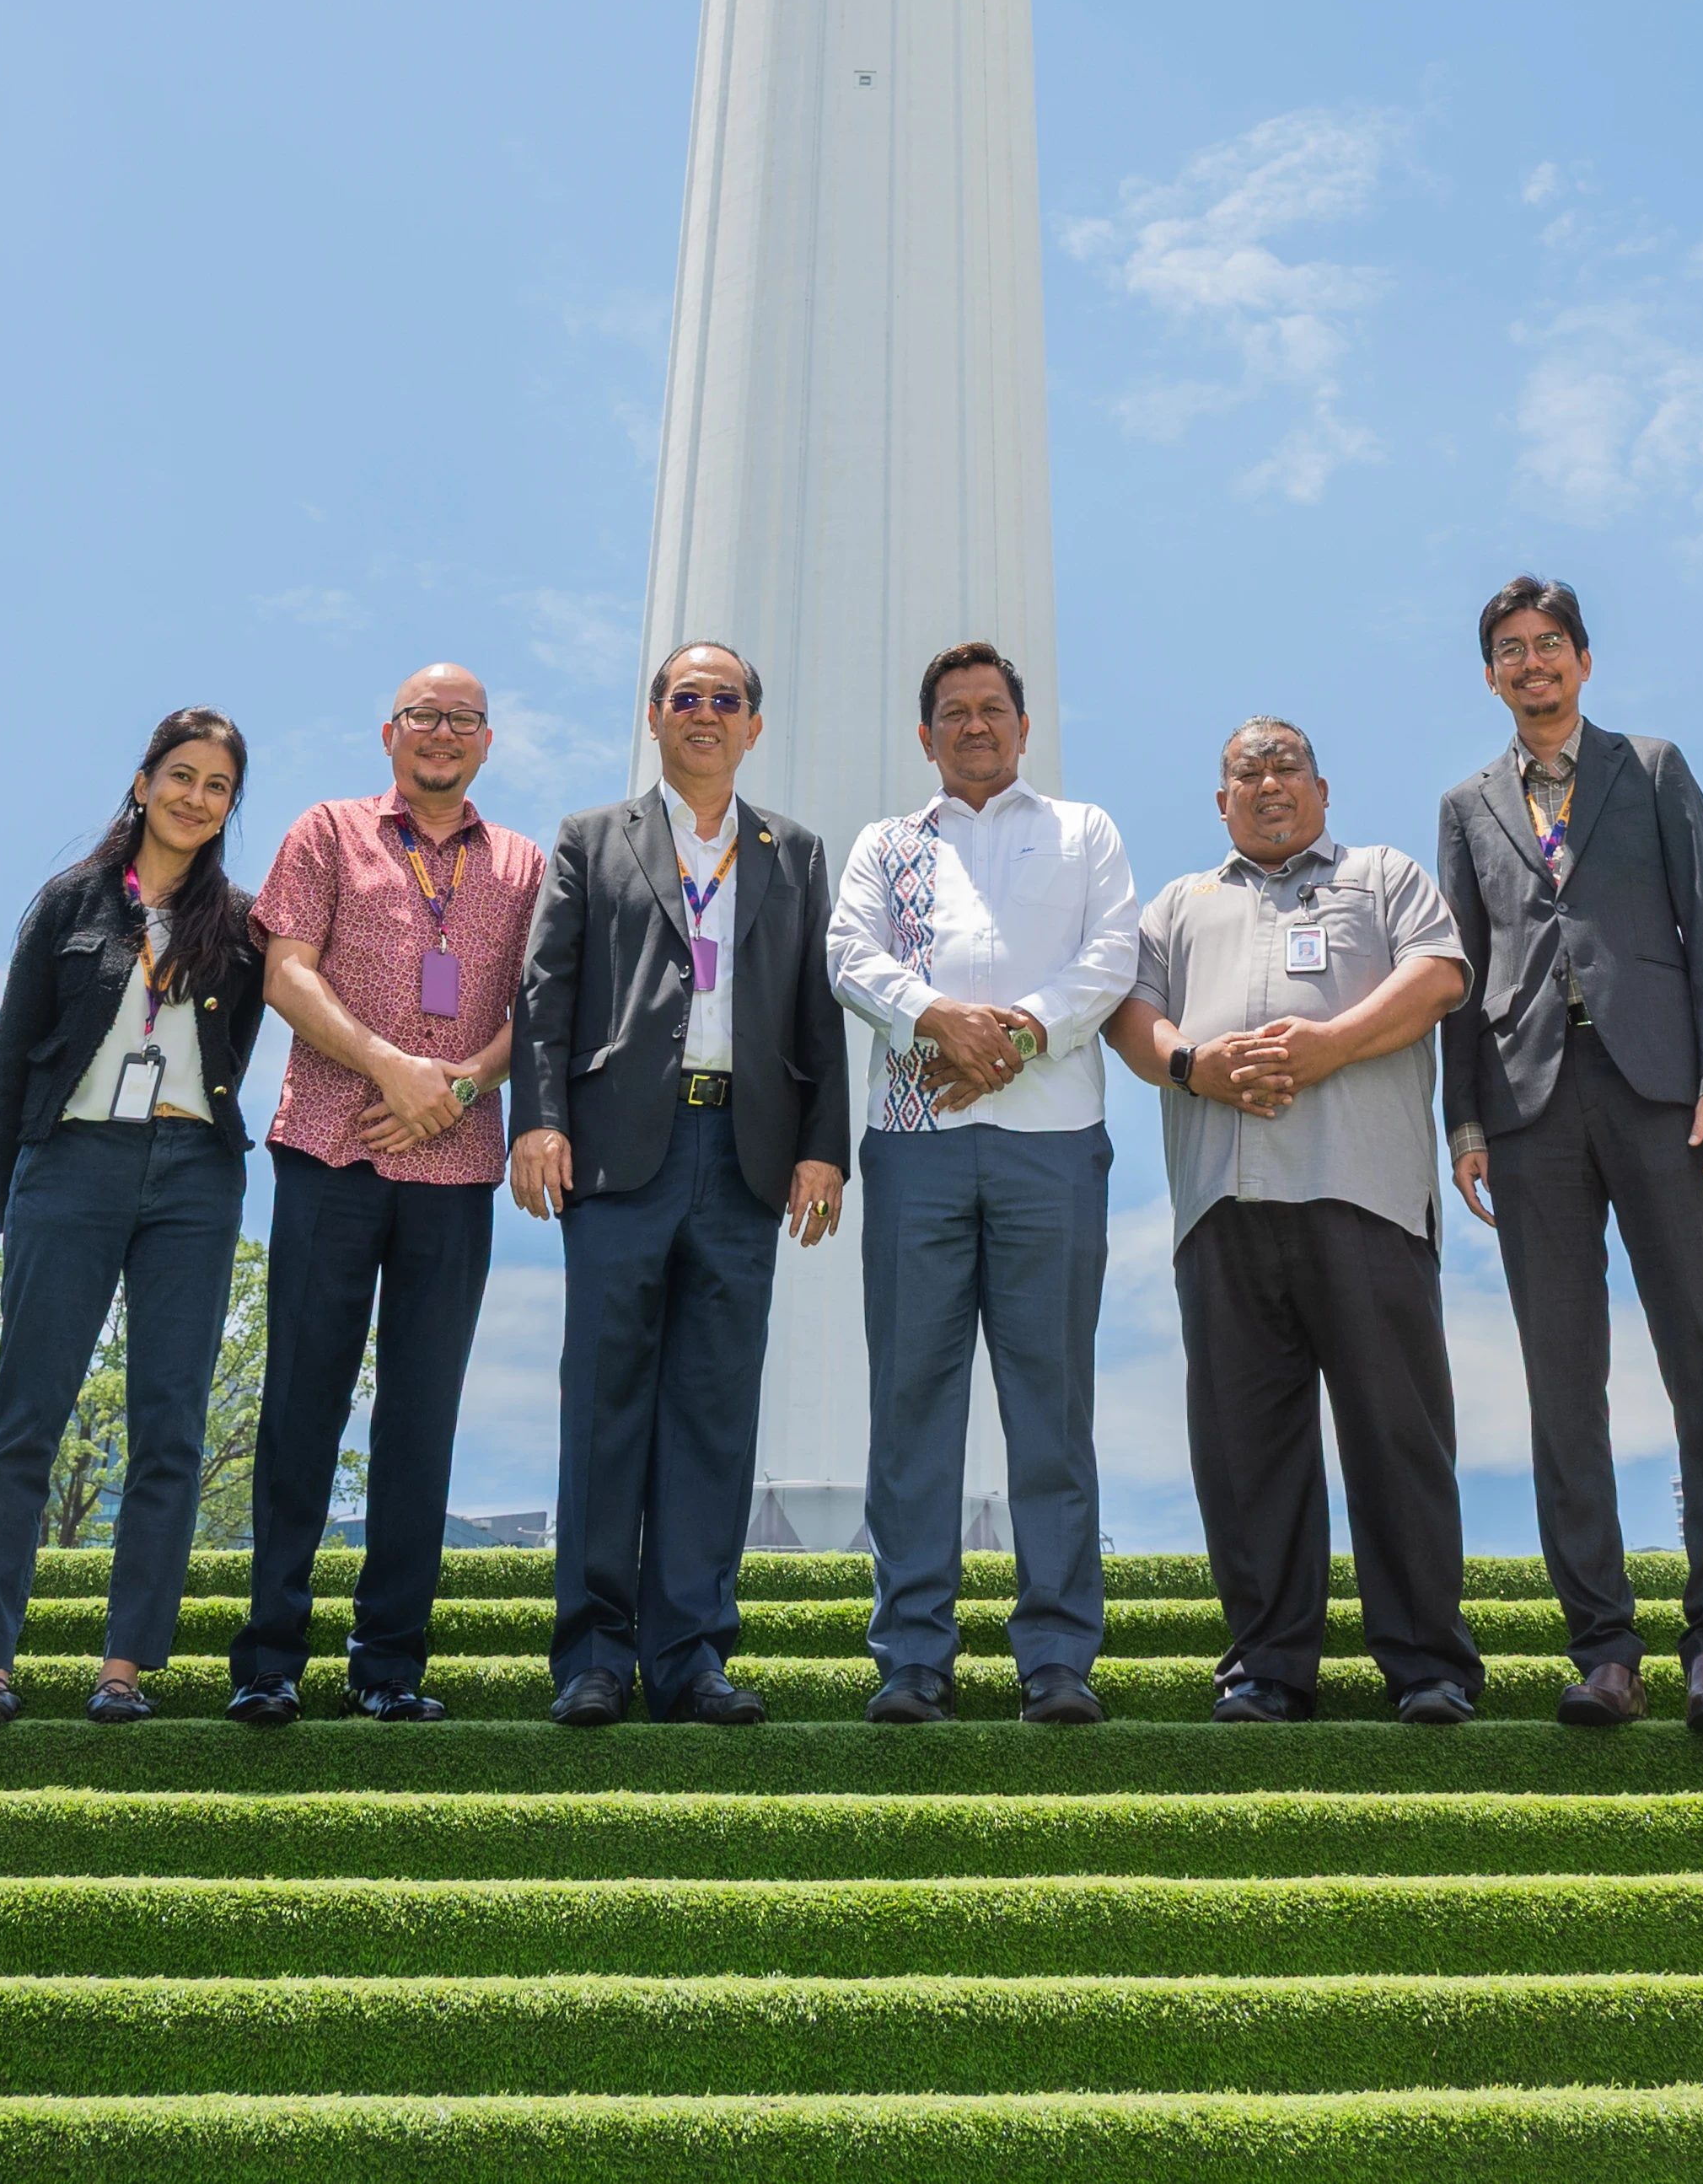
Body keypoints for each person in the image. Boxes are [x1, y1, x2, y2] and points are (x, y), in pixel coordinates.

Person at [1438, 575, 1703, 1736]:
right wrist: (1462, 1118)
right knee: (1561, 1378)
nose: (1531, 665)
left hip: (1658, 1090)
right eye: (1510, 651)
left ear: (1582, 659)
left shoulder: (1656, 766)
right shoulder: (1466, 803)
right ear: (1489, 675)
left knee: (1700, 1351)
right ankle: (1605, 1648)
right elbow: (1461, 971)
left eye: (1549, 645)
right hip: (1528, 1106)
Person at [1107, 722, 1483, 1725]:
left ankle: (1427, 1665)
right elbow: (1130, 1019)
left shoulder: (1382, 874)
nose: (1268, 784)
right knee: (1245, 1446)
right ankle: (1269, 1665)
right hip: (1224, 1202)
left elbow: (1440, 976)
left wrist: (1331, 1045)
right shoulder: (1180, 905)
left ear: (1322, 786)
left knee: (1396, 1433)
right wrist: (1196, 1063)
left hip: (1363, 1193)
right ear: (1219, 799)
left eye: (1286, 768)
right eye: (1246, 771)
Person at [510, 639, 849, 1725]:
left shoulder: (793, 853)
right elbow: (545, 992)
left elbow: (817, 1011)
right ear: (654, 716)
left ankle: (691, 1654)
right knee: (607, 1404)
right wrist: (542, 1122)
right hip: (618, 1156)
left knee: (712, 1409)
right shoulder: (592, 840)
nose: (707, 713)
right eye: (687, 696)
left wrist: (823, 1147)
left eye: (728, 699)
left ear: (754, 726)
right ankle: (596, 1656)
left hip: (744, 1158)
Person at [223, 663, 545, 1725]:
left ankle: (389, 1665)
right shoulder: (327, 831)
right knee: (302, 1401)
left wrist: (452, 1086)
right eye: (424, 717)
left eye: (463, 720)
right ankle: (270, 1656)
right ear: (389, 733)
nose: (442, 734)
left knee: (422, 1415)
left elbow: (535, 1013)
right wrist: (390, 1069)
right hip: (328, 1149)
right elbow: (285, 974)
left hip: (454, 1168)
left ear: (488, 743)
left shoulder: (524, 863)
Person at [827, 641, 1139, 1726]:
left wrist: (1012, 1034)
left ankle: (1057, 1657)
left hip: (1053, 1140)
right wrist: (938, 1022)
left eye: (992, 709)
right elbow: (850, 957)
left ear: (1022, 725)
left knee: (1050, 1405)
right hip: (913, 1143)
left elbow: (1111, 961)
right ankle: (913, 1655)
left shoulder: (1084, 831)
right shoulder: (887, 844)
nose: (974, 726)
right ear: (925, 736)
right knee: (912, 1402)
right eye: (953, 713)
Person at [0, 706, 270, 1726]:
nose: (195, 798)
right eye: (181, 776)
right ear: (143, 782)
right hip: (70, 1166)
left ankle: (125, 1668)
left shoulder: (243, 927)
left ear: (230, 808)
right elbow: (9, 1071)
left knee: (170, 1428)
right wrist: (24, 1203)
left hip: (192, 1178)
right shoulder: (69, 906)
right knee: (25, 1424)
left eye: (217, 787)